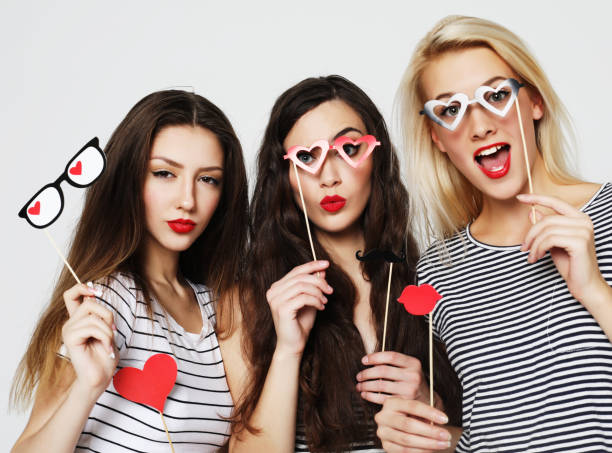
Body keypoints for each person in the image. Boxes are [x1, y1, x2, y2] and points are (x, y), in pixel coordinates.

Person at [376, 15, 612, 452]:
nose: (480, 125)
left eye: (497, 95)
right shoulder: (437, 270)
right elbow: (493, 431)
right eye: (451, 109)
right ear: (437, 137)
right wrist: (428, 437)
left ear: (535, 102)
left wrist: (595, 290)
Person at [220, 75, 462, 453]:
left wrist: (430, 408)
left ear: (377, 157)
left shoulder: (434, 280)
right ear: (283, 177)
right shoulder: (246, 301)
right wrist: (288, 349)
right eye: (306, 157)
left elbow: (492, 437)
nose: (329, 176)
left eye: (349, 148)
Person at [11, 89, 249, 452]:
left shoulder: (219, 307)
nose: (188, 199)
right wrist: (88, 387)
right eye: (165, 173)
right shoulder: (107, 301)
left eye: (208, 179)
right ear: (130, 179)